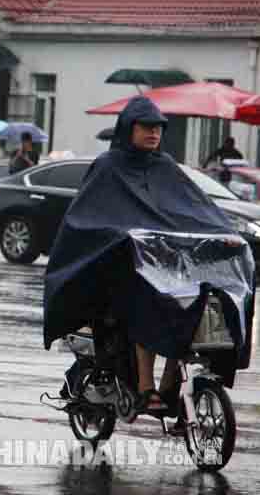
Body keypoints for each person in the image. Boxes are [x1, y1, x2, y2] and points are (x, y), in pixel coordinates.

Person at [44, 96, 241, 415]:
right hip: (121, 269)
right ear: (128, 128)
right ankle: (145, 388)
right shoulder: (108, 167)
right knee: (146, 302)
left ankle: (169, 385)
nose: (154, 133)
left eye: (158, 128)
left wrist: (225, 233)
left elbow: (197, 208)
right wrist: (120, 236)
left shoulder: (165, 167)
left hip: (167, 268)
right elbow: (87, 217)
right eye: (146, 127)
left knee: (196, 306)